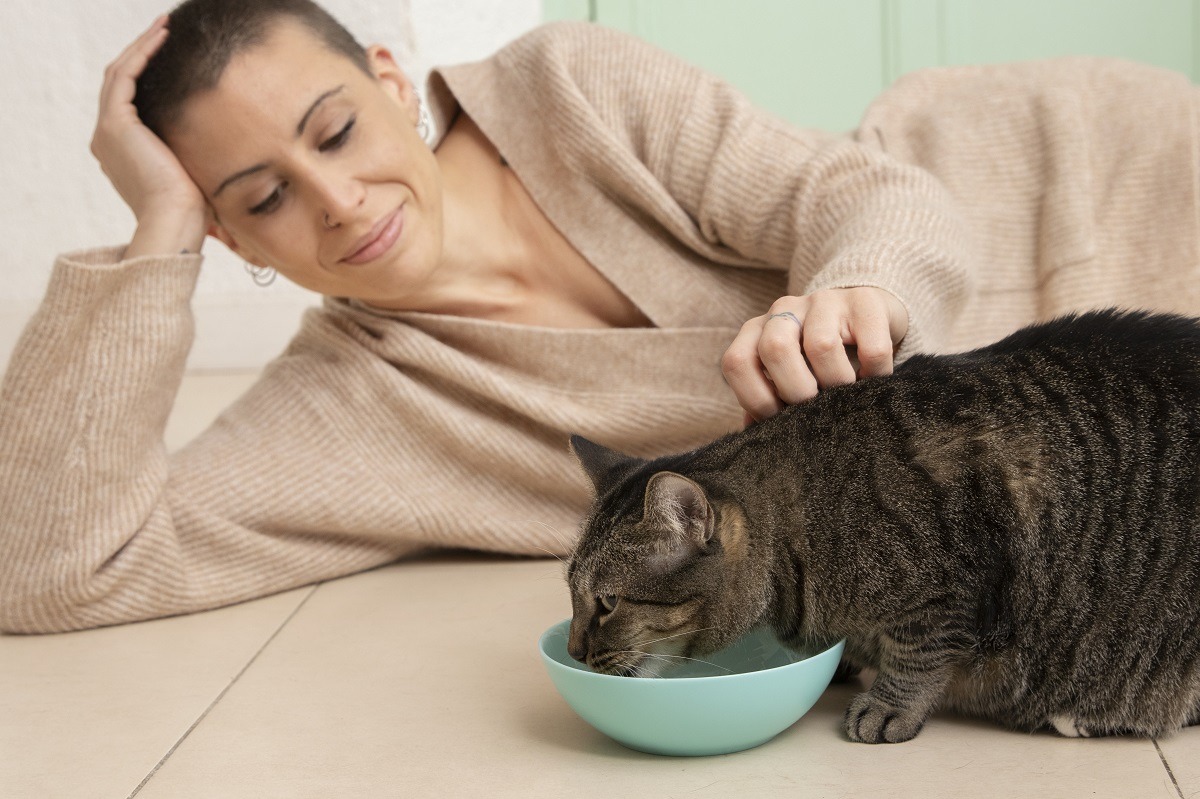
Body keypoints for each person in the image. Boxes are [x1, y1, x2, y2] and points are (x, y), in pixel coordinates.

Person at [1, 0, 1196, 634]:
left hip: (1071, 183)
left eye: (334, 133)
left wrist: (858, 289)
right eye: (259, 198)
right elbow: (45, 570)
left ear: (385, 76)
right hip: (1094, 472)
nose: (335, 202)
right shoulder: (349, 413)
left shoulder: (565, 85)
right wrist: (155, 229)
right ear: (230, 235)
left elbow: (868, 196)